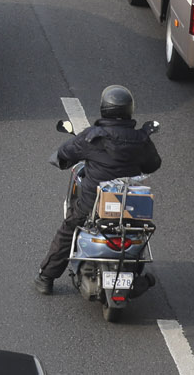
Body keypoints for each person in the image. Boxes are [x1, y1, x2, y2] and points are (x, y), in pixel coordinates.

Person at [36, 85, 162, 293]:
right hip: (128, 206)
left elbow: (65, 153)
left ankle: (46, 278)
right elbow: (153, 164)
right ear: (129, 109)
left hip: (92, 204)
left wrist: (62, 159)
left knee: (69, 230)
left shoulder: (92, 137)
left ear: (104, 109)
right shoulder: (141, 139)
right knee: (137, 230)